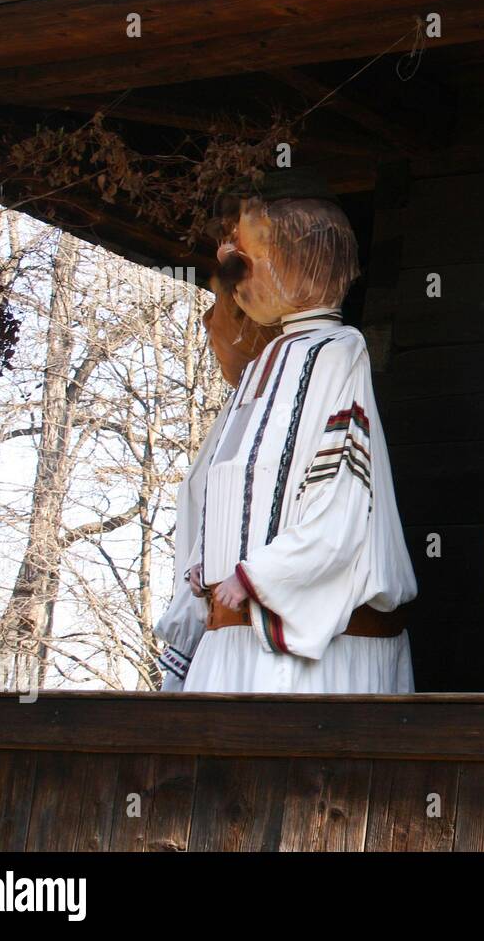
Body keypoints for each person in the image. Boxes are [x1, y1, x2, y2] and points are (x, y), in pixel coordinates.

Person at [181, 168, 416, 693]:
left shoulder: (338, 351)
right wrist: (207, 563)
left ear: (302, 260)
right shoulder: (267, 363)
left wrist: (260, 573)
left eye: (248, 255)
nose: (231, 269)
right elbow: (231, 479)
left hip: (300, 644)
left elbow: (342, 495)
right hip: (236, 638)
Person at [153, 292, 276, 688]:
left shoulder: (268, 405)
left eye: (228, 307)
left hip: (247, 634)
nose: (208, 322)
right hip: (214, 628)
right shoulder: (239, 406)